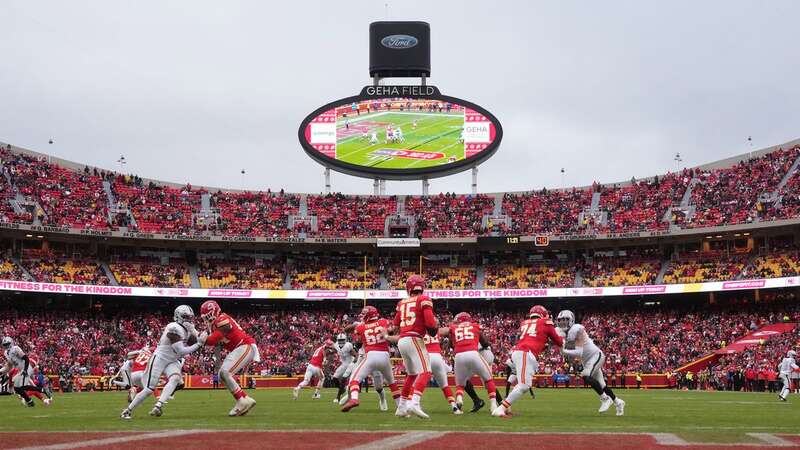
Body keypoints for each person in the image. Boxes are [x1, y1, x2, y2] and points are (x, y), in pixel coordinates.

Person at [121, 305, 204, 420]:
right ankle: (128, 410)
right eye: (186, 317)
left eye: (190, 317)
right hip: (160, 358)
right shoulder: (173, 327)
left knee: (175, 379)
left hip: (172, 360)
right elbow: (181, 351)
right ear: (178, 316)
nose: (189, 320)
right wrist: (199, 344)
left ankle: (158, 406)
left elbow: (196, 340)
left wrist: (198, 334)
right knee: (149, 389)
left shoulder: (186, 329)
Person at [492, 305, 563, 418]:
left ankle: (505, 407)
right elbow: (559, 342)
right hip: (525, 352)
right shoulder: (546, 322)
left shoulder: (524, 323)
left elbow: (535, 337)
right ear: (543, 314)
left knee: (522, 384)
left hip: (520, 352)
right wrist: (562, 335)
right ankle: (500, 409)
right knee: (524, 386)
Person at [557, 310, 625, 416]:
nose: (563, 322)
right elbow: (570, 353)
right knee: (602, 385)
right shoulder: (563, 332)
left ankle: (605, 399)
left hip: (595, 355)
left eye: (566, 319)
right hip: (587, 361)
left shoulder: (577, 329)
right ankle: (618, 402)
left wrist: (563, 350)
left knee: (585, 375)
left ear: (572, 320)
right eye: (561, 320)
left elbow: (579, 352)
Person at [388, 274, 438, 419]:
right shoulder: (424, 299)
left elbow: (395, 325)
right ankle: (414, 403)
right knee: (426, 371)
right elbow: (430, 324)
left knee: (412, 374)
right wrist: (433, 330)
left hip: (402, 340)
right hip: (414, 338)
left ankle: (402, 407)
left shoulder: (402, 302)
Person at [200, 300, 258, 416]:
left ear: (214, 311)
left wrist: (204, 339)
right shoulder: (216, 323)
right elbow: (212, 342)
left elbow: (214, 339)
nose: (207, 319)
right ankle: (245, 398)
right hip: (239, 348)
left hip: (245, 345)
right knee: (222, 375)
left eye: (208, 316)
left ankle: (241, 401)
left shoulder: (221, 319)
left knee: (225, 372)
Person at [341, 306, 401, 412]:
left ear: (368, 315)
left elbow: (354, 337)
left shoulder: (361, 327)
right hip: (384, 356)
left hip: (371, 356)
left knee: (355, 379)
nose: (362, 316)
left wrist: (357, 325)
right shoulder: (383, 321)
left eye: (364, 314)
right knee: (392, 383)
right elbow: (392, 330)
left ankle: (355, 399)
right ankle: (401, 407)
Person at [438, 312, 498, 414]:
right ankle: (493, 405)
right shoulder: (475, 326)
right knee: (488, 379)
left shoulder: (453, 327)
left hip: (459, 356)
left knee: (460, 384)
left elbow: (443, 335)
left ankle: (459, 398)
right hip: (474, 353)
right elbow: (484, 342)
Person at [0, 337, 51, 407]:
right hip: (21, 369)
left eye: (7, 344)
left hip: (26, 367)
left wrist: (25, 370)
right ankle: (30, 400)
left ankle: (39, 393)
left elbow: (26, 358)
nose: (6, 346)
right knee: (17, 388)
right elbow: (9, 365)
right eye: (5, 344)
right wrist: (1, 371)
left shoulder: (15, 349)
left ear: (11, 343)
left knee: (21, 386)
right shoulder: (6, 353)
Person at [422, 330, 460, 414]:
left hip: (426, 356)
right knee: (445, 385)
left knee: (417, 383)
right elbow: (447, 330)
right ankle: (454, 406)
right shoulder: (436, 331)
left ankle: (412, 403)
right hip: (437, 357)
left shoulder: (419, 331)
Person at [332, 333, 356, 405]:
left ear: (345, 340)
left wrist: (354, 362)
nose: (341, 341)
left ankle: (338, 397)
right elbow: (335, 350)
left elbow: (355, 355)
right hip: (344, 364)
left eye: (342, 340)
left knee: (344, 379)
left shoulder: (348, 345)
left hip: (351, 363)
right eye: (340, 340)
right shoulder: (336, 345)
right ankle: (342, 389)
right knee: (335, 378)